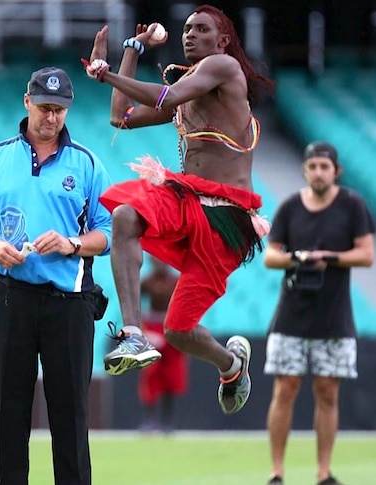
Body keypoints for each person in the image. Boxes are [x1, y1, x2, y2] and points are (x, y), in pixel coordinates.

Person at [84, 3, 275, 416]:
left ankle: (231, 364)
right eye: (187, 29)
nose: (190, 35)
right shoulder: (192, 87)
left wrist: (107, 73)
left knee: (177, 331)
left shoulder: (223, 67)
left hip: (226, 218)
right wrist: (131, 48)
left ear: (222, 41)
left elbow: (166, 94)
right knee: (125, 214)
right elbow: (121, 117)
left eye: (201, 29)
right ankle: (133, 333)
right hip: (187, 199)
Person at [0, 66, 113, 485]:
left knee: (70, 418)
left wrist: (71, 244)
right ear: (27, 102)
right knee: (8, 413)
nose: (52, 117)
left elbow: (107, 232)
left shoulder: (87, 163)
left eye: (60, 110)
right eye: (45, 108)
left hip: (70, 302)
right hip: (10, 298)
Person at [262, 141, 375, 485]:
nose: (318, 172)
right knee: (285, 389)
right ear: (305, 170)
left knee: (327, 392)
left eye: (324, 167)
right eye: (313, 166)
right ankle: (277, 471)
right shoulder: (291, 207)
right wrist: (298, 258)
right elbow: (271, 256)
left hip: (334, 315)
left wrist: (330, 257)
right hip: (292, 314)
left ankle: (324, 472)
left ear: (336, 171)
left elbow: (367, 255)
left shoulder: (352, 205)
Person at [137, 256, 187, 433]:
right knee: (151, 375)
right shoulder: (147, 282)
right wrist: (144, 331)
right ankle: (149, 420)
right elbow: (136, 306)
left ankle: (168, 422)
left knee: (172, 376)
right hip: (153, 328)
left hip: (172, 327)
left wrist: (182, 331)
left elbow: (186, 306)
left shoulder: (176, 282)